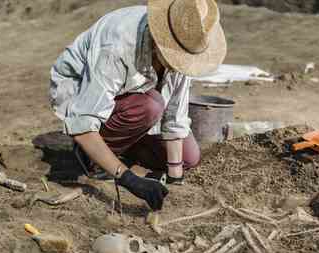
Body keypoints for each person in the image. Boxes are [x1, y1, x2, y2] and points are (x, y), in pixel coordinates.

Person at [49, 0, 227, 211]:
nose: (180, 63)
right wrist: (128, 179)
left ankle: (122, 146)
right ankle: (92, 160)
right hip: (82, 96)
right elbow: (82, 124)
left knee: (189, 157)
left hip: (134, 101)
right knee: (151, 105)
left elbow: (175, 118)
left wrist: (174, 179)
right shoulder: (117, 46)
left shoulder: (187, 42)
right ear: (160, 41)